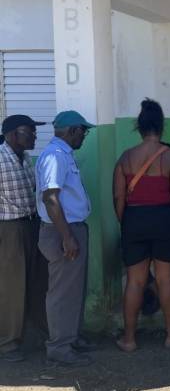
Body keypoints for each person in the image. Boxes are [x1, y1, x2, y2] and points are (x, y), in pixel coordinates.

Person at [112, 99, 170, 352]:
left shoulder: (126, 158)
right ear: (161, 126)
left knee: (135, 281)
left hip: (134, 220)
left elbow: (118, 197)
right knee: (166, 278)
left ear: (139, 126)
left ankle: (128, 339)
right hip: (165, 219)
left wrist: (125, 222)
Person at [36, 111, 98, 367]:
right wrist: (67, 237)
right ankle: (59, 347)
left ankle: (71, 338)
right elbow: (51, 198)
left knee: (74, 290)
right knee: (62, 293)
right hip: (62, 232)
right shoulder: (54, 156)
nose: (84, 135)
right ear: (72, 130)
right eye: (84, 131)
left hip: (70, 229)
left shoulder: (62, 155)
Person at [0, 115, 48, 363]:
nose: (34, 135)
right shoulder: (0, 158)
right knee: (12, 286)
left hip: (31, 224)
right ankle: (8, 344)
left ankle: (36, 335)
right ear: (12, 134)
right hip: (9, 228)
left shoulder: (26, 159)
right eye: (29, 131)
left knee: (36, 281)